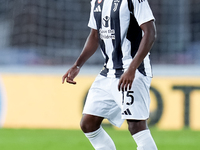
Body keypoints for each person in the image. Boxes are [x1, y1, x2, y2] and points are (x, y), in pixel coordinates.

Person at [62, 0, 157, 149]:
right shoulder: (96, 1)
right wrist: (77, 65)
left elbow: (150, 32)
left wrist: (132, 69)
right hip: (108, 72)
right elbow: (94, 35)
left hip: (133, 69)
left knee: (136, 126)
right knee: (88, 123)